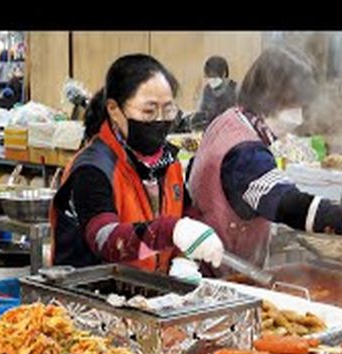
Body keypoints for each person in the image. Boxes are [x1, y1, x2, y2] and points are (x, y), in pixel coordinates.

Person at [186, 46, 342, 272]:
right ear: (272, 95)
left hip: (213, 261)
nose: (299, 116)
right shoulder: (246, 153)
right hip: (222, 274)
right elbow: (289, 205)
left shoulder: (230, 119)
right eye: (295, 103)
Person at [51, 54, 223, 272]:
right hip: (91, 295)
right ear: (114, 109)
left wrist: (185, 257)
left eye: (168, 110)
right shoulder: (92, 168)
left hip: (148, 293)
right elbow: (106, 240)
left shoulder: (167, 160)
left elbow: (185, 211)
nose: (160, 120)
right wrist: (172, 231)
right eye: (149, 111)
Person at [190, 56, 237, 131]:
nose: (211, 80)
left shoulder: (235, 90)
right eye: (209, 76)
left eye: (214, 76)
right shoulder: (207, 90)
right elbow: (201, 112)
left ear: (224, 74)